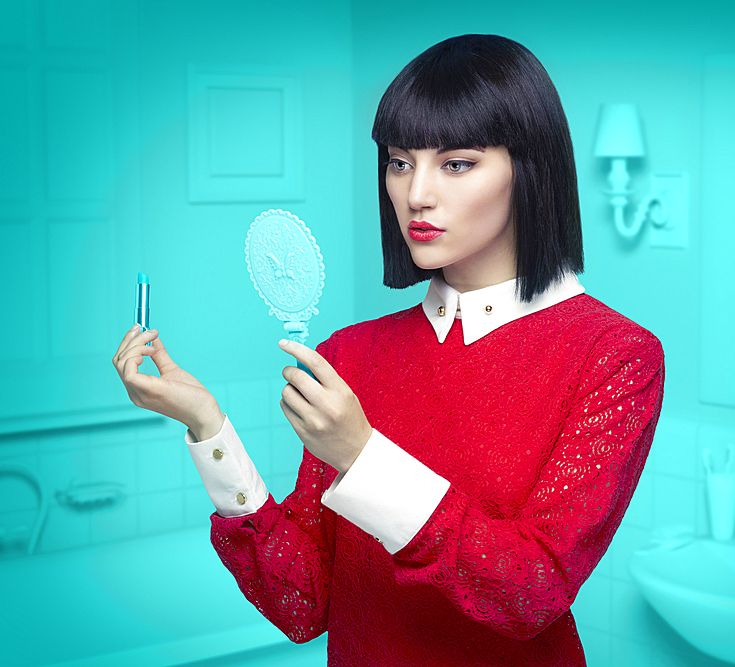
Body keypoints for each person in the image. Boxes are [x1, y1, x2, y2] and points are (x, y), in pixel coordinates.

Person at [113, 34, 664, 667]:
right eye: (400, 162)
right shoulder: (352, 353)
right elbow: (303, 606)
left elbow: (528, 593)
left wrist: (362, 455)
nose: (415, 194)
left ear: (529, 169)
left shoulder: (615, 356)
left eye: (456, 163)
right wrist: (209, 429)